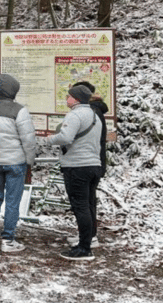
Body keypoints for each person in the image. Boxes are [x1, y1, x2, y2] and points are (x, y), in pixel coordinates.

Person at [0, 74, 36, 253]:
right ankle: (8, 239)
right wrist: (29, 160)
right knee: (12, 201)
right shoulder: (19, 110)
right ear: (13, 90)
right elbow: (29, 140)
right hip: (15, 163)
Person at [46, 84, 102, 261]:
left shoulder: (75, 114)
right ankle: (88, 240)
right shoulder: (95, 115)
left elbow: (65, 137)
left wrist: (48, 140)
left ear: (76, 99)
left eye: (69, 96)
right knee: (88, 205)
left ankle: (84, 249)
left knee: (80, 206)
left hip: (77, 166)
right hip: (93, 165)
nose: (66, 99)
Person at [66, 81, 108, 249]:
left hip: (86, 162)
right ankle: (88, 236)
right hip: (94, 161)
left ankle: (89, 239)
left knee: (85, 203)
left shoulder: (91, 112)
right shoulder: (95, 110)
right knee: (87, 201)